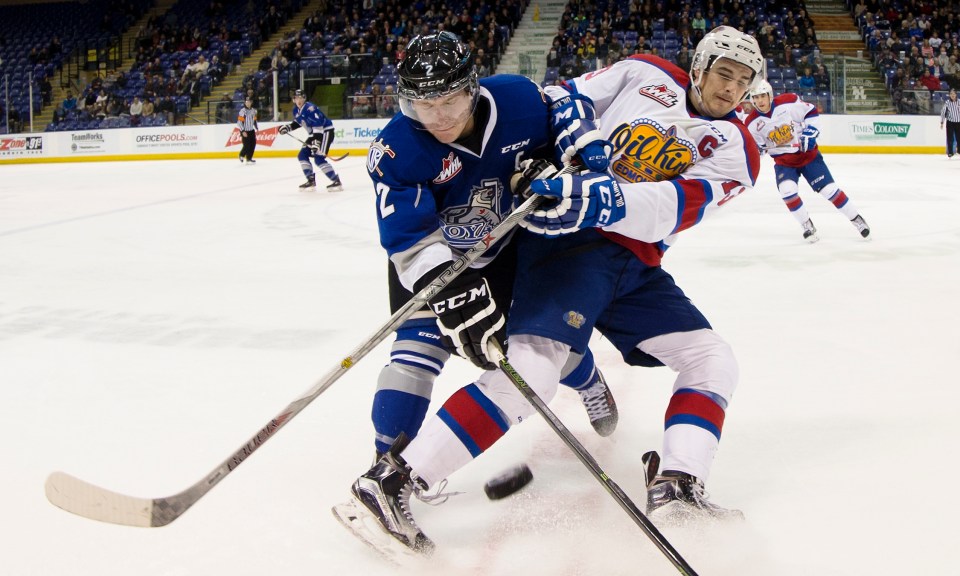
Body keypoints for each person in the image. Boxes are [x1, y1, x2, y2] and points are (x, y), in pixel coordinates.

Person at [338, 26, 768, 555]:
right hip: (566, 245)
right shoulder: (645, 71)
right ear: (700, 67)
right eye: (724, 73)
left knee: (711, 359)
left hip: (634, 261)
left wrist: (597, 197)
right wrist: (575, 143)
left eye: (743, 81)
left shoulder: (739, 149)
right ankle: (394, 482)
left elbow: (675, 206)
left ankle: (677, 483)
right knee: (531, 371)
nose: (731, 88)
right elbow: (567, 98)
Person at [338, 31, 619, 477]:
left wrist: (552, 165)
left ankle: (588, 382)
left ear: (472, 87)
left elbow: (565, 128)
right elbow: (409, 238)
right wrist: (451, 286)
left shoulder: (520, 101)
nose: (437, 117)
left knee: (536, 348)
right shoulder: (398, 148)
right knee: (414, 353)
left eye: (448, 101)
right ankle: (386, 471)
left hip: (508, 250)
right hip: (433, 261)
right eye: (422, 105)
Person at [746, 80, 871, 242]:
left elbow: (811, 112)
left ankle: (857, 219)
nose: (760, 101)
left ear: (769, 95)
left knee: (829, 190)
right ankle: (807, 225)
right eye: (756, 97)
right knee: (787, 191)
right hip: (784, 162)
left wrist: (810, 133)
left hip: (808, 156)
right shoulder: (751, 123)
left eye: (763, 96)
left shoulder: (787, 102)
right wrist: (758, 150)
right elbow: (759, 148)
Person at [278, 89, 343, 191]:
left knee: (319, 158)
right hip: (315, 134)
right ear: (293, 99)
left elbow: (319, 126)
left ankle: (336, 181)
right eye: (296, 98)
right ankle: (311, 180)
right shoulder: (296, 110)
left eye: (301, 97)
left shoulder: (310, 108)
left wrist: (316, 143)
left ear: (304, 98)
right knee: (302, 155)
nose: (299, 100)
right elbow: (298, 122)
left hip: (325, 132)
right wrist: (287, 128)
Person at [237, 96, 258, 164]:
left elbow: (254, 120)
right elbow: (239, 122)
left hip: (251, 130)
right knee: (247, 145)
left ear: (251, 102)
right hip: (245, 130)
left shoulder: (254, 111)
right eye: (246, 102)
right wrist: (242, 131)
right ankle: (241, 155)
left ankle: (249, 158)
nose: (248, 103)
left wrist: (257, 129)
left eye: (249, 102)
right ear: (245, 102)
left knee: (253, 144)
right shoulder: (243, 111)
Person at [939, 88, 960, 158]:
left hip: (958, 122)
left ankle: (959, 150)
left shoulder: (959, 101)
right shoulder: (947, 102)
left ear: (956, 94)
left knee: (959, 137)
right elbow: (943, 112)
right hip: (950, 122)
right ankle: (950, 152)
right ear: (949, 95)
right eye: (951, 94)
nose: (952, 95)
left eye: (953, 94)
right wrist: (942, 122)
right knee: (950, 138)